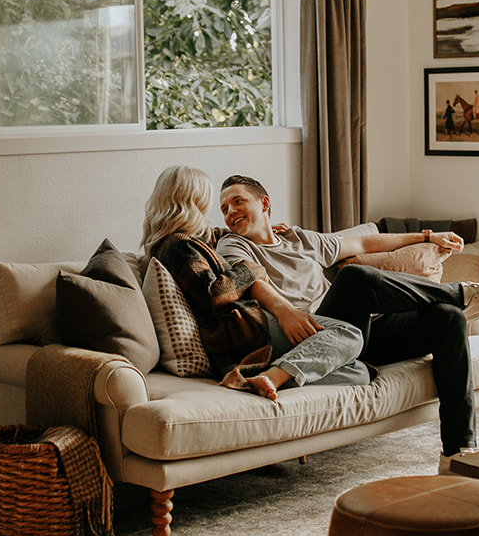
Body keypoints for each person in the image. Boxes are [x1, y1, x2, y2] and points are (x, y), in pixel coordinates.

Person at [214, 174, 479, 468]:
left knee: (449, 318)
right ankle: (460, 293)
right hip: (316, 335)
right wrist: (285, 312)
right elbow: (253, 281)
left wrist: (428, 236)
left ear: (264, 203)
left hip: (360, 334)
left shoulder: (300, 239)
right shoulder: (233, 244)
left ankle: (458, 454)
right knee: (353, 276)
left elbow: (365, 244)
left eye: (238, 201)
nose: (230, 212)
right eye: (224, 208)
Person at [140, 165, 368, 401]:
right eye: (205, 200)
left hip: (244, 325)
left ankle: (265, 379)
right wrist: (251, 268)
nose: (208, 208)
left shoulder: (187, 240)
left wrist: (265, 227)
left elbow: (214, 235)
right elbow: (214, 293)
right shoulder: (175, 246)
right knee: (348, 333)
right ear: (191, 200)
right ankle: (273, 376)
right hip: (243, 329)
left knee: (359, 372)